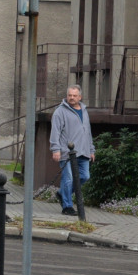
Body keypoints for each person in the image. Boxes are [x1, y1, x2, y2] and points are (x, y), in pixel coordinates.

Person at [50, 84, 95, 216]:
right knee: (68, 178)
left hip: (84, 151)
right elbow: (55, 132)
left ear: (80, 97)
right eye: (70, 95)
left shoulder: (84, 110)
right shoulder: (60, 111)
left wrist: (91, 150)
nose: (72, 98)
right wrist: (55, 149)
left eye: (75, 95)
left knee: (85, 176)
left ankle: (62, 193)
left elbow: (88, 132)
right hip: (66, 152)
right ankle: (67, 206)